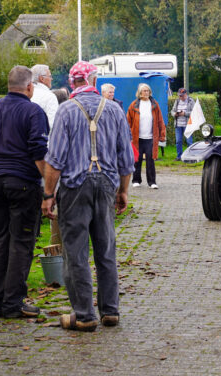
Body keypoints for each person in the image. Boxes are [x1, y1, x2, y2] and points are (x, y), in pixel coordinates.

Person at [41, 61, 134, 331]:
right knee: (106, 249)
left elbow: (55, 159)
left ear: (73, 83)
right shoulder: (114, 109)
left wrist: (48, 194)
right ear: (93, 80)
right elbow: (126, 159)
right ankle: (110, 312)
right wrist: (123, 190)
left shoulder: (66, 110)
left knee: (76, 252)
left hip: (74, 187)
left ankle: (83, 315)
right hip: (106, 184)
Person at [0, 66, 49, 319]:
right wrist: (49, 189)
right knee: (21, 242)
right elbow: (38, 150)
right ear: (29, 87)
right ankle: (13, 303)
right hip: (22, 182)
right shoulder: (33, 111)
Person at [126, 83, 166, 189]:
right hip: (137, 138)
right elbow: (128, 121)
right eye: (144, 91)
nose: (146, 92)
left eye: (148, 90)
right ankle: (136, 180)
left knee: (150, 160)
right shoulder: (134, 105)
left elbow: (160, 120)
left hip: (150, 138)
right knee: (137, 160)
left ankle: (152, 182)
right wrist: (128, 135)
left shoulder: (154, 104)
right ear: (139, 93)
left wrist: (162, 135)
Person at [31, 64, 59, 129]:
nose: (51, 79)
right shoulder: (50, 97)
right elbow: (53, 125)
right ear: (42, 78)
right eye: (50, 76)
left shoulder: (26, 94)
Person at [171, 87, 194, 160]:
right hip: (178, 125)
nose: (180, 97)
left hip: (188, 125)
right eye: (179, 95)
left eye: (182, 95)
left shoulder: (191, 101)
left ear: (186, 94)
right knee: (178, 141)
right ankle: (179, 156)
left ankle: (190, 157)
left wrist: (185, 113)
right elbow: (172, 111)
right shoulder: (177, 101)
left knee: (189, 141)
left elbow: (194, 113)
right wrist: (175, 114)